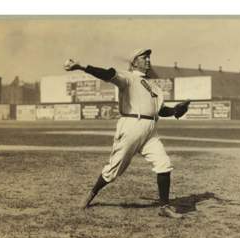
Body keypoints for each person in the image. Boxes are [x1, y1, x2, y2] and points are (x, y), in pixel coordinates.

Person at [64, 48, 190, 218]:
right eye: (144, 58)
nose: (148, 60)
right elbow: (107, 74)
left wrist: (176, 110)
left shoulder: (154, 86)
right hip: (132, 124)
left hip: (151, 129)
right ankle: (91, 194)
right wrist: (81, 67)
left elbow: (160, 111)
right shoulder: (128, 78)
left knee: (164, 163)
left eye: (148, 58)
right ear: (134, 62)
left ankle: (164, 207)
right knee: (113, 170)